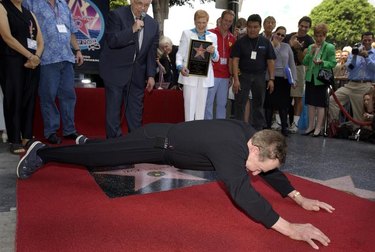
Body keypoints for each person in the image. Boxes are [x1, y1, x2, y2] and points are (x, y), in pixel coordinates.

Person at [17, 119, 334, 250]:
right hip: (153, 145)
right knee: (98, 159)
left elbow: (269, 170)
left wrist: (298, 196)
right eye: (256, 166)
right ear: (253, 150)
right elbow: (242, 193)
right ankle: (43, 153)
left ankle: (92, 143)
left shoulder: (254, 137)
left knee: (103, 152)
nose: (256, 173)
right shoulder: (230, 148)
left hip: (162, 140)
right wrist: (290, 228)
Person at [23, 0, 84, 145]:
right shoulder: (32, 3)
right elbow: (25, 27)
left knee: (69, 95)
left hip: (67, 58)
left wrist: (78, 50)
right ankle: (51, 131)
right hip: (46, 59)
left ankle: (69, 130)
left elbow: (71, 32)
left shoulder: (63, 5)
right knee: (48, 96)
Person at [99, 0, 159, 137]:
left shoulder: (153, 24)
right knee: (113, 112)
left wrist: (151, 75)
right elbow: (112, 41)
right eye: (139, 4)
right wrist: (132, 29)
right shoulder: (116, 15)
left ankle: (134, 142)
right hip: (115, 71)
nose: (142, 8)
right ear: (132, 1)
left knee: (135, 113)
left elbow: (151, 51)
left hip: (137, 74)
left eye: (146, 5)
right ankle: (113, 145)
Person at [0, 0, 43, 154]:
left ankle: (26, 136)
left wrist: (36, 56)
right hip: (12, 61)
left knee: (29, 99)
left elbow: (40, 40)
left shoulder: (29, 12)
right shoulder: (2, 7)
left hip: (32, 63)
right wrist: (30, 56)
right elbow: (6, 36)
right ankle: (14, 140)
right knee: (14, 99)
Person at [231, 14, 276, 130]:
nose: (252, 30)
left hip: (259, 76)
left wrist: (271, 79)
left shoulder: (266, 42)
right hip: (243, 76)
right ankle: (238, 130)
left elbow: (271, 61)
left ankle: (258, 131)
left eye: (255, 27)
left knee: (259, 104)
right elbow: (235, 61)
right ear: (247, 27)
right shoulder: (240, 42)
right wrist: (235, 79)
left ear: (260, 27)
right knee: (239, 104)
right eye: (250, 27)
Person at [176, 10, 219, 121]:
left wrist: (213, 52)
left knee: (201, 108)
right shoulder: (187, 33)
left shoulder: (213, 37)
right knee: (189, 108)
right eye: (199, 22)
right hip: (189, 75)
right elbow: (179, 54)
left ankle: (198, 134)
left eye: (204, 22)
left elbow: (216, 58)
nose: (201, 25)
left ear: (207, 22)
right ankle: (188, 134)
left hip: (204, 76)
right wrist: (180, 67)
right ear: (194, 22)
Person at [328, 32, 375, 129]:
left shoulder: (374, 54)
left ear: (372, 41)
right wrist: (354, 56)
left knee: (358, 117)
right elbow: (349, 68)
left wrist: (366, 57)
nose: (366, 42)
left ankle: (359, 133)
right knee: (332, 101)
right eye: (364, 40)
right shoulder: (355, 52)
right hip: (350, 84)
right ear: (361, 40)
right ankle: (335, 126)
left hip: (365, 85)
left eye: (369, 40)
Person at [302, 23, 336, 137]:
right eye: (316, 35)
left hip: (321, 79)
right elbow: (305, 62)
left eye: (321, 36)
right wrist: (310, 53)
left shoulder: (329, 47)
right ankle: (310, 126)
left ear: (325, 35)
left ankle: (318, 128)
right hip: (310, 78)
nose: (318, 38)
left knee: (320, 105)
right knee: (310, 104)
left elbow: (333, 62)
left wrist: (323, 62)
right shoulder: (312, 46)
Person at [283, 16, 314, 133]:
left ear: (309, 28)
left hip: (299, 68)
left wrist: (297, 49)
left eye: (306, 27)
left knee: (297, 97)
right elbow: (282, 52)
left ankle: (295, 124)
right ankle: (280, 121)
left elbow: (303, 60)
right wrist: (291, 45)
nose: (303, 28)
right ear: (298, 25)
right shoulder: (288, 36)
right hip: (285, 68)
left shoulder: (310, 41)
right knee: (283, 95)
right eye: (302, 26)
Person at [264, 26, 297, 136]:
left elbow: (291, 63)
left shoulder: (287, 46)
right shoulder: (268, 44)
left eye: (283, 35)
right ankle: (267, 127)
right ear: (274, 33)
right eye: (278, 34)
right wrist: (275, 46)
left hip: (284, 79)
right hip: (270, 78)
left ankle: (284, 127)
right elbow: (270, 58)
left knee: (284, 105)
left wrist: (294, 79)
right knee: (269, 104)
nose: (280, 36)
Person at [205, 9, 236, 120]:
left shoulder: (233, 38)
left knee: (222, 104)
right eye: (225, 20)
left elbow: (232, 59)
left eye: (230, 21)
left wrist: (232, 75)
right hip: (211, 74)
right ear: (221, 19)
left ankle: (220, 127)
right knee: (208, 103)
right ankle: (206, 126)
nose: (227, 23)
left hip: (225, 76)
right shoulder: (210, 33)